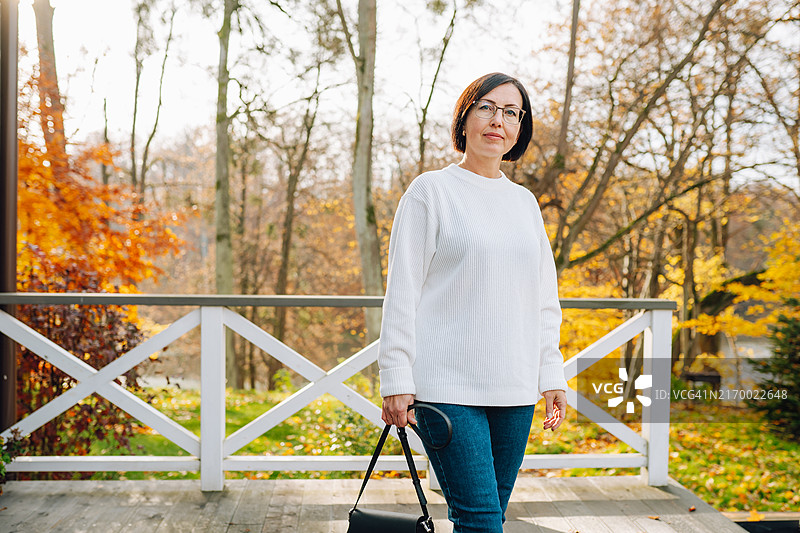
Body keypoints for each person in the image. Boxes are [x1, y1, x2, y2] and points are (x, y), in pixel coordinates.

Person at [377, 72, 568, 533]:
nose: (497, 120)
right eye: (486, 107)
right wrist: (396, 376)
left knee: (489, 518)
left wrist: (551, 374)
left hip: (515, 390)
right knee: (481, 522)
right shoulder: (430, 192)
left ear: (519, 128)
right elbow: (402, 291)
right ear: (465, 119)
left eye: (511, 112)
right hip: (447, 388)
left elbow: (544, 300)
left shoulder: (525, 203)